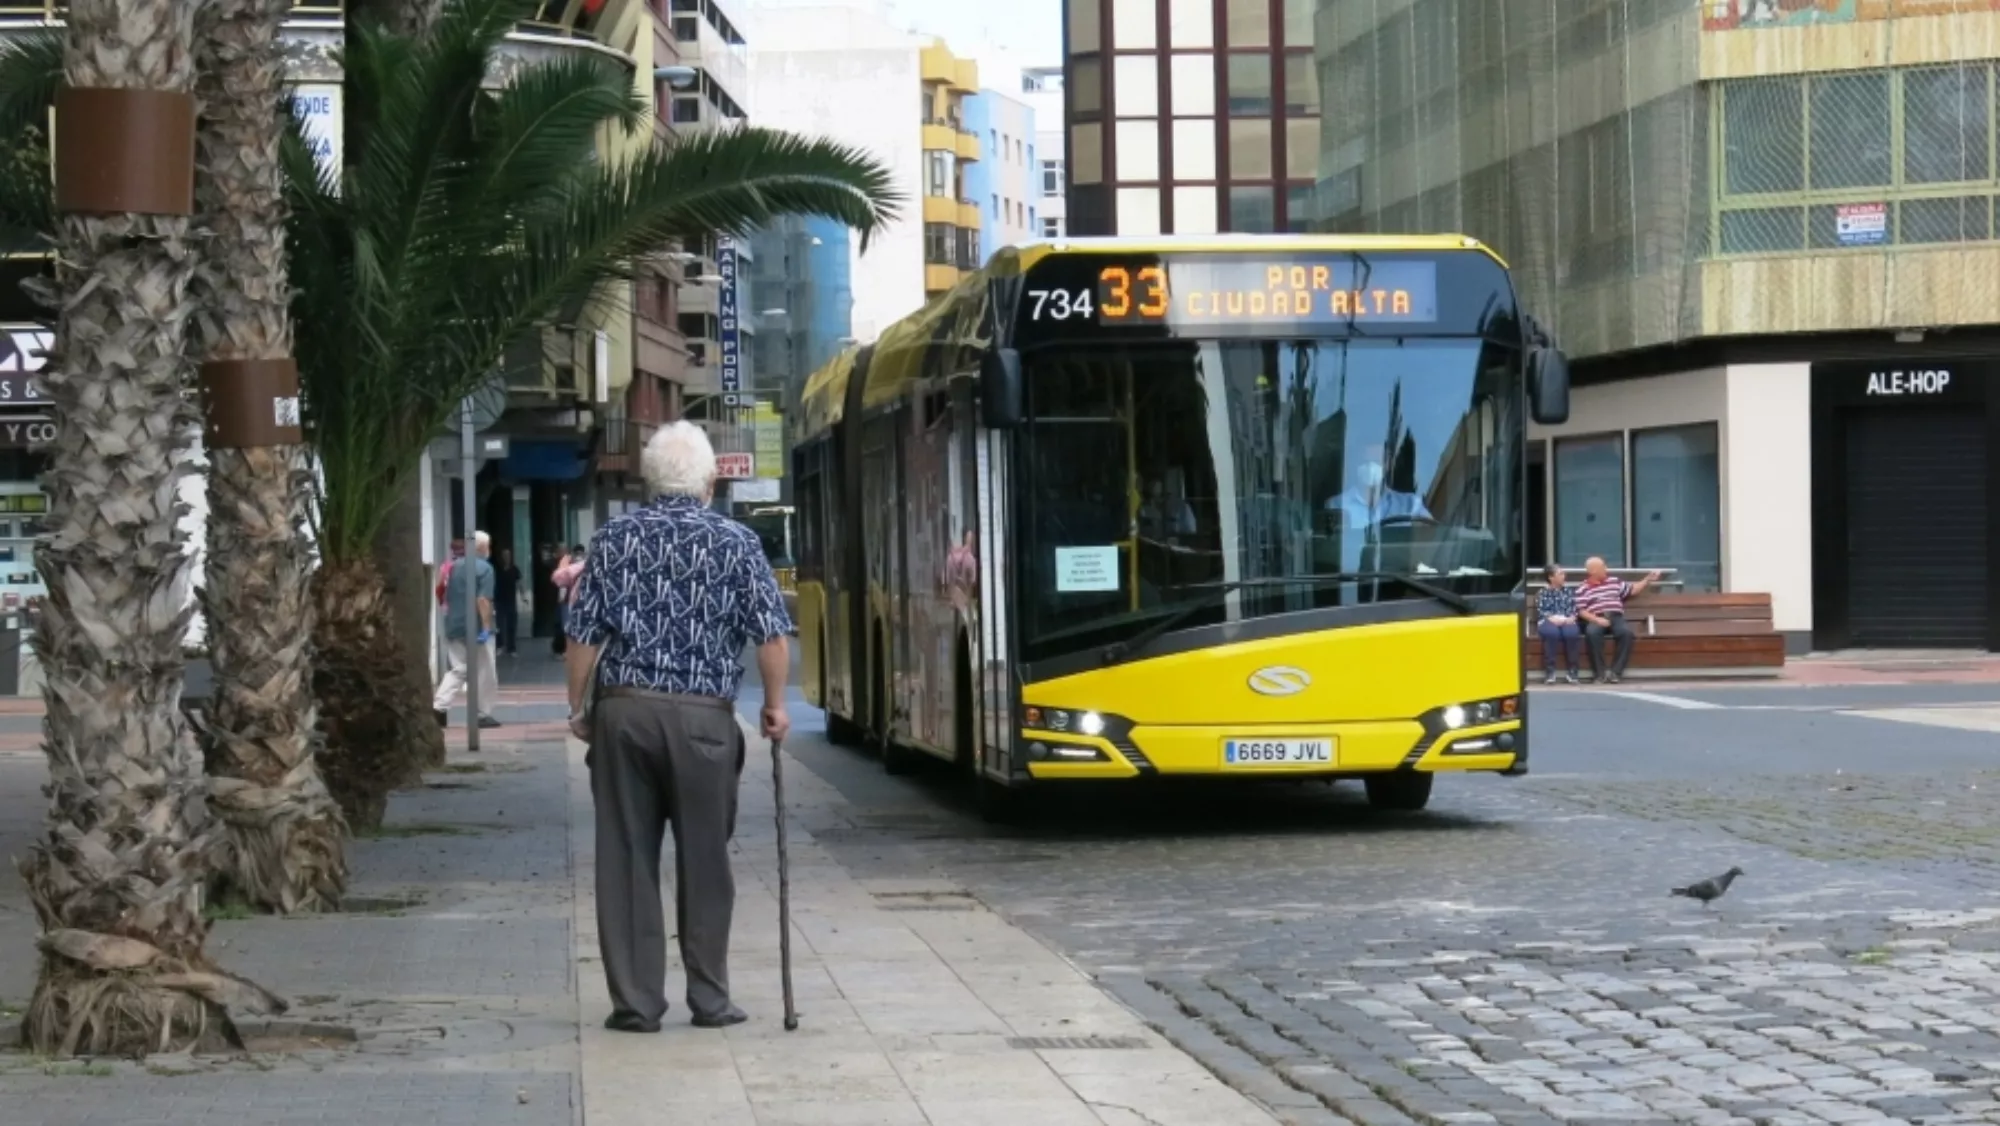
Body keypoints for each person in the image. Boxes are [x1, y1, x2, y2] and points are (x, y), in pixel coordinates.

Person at [564, 421, 793, 1034]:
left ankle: (637, 1004)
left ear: (648, 479)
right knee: (705, 858)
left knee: (626, 856)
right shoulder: (737, 542)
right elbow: (770, 636)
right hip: (704, 721)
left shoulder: (612, 539)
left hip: (626, 711)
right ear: (711, 481)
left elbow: (583, 636)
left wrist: (578, 707)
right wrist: (775, 706)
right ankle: (711, 1000)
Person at [433, 531, 502, 729]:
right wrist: (487, 627)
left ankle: (439, 707)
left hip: (454, 624)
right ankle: (483, 713)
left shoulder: (452, 567)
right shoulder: (485, 568)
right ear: (482, 547)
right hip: (476, 625)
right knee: (485, 670)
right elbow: (483, 599)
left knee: (458, 668)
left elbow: (441, 590)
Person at [1575, 557, 1663, 685]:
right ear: (1593, 571)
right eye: (1603, 567)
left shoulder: (1614, 581)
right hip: (1596, 617)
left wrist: (1647, 579)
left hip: (1616, 616)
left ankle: (1616, 673)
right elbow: (1581, 611)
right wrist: (1597, 619)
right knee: (1592, 634)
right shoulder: (1583, 588)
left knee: (1626, 634)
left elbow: (1632, 590)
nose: (1606, 569)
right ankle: (1599, 674)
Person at [1324, 441, 1432, 527]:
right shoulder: (1336, 505)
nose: (1371, 466)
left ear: (1388, 465)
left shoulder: (1411, 505)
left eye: (1377, 461)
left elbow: (1432, 538)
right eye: (1365, 461)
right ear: (1355, 463)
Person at [1534, 563, 1583, 685]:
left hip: (1567, 620)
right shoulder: (1542, 593)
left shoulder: (1569, 591)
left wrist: (1571, 618)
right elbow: (1542, 610)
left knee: (1571, 633)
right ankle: (1550, 671)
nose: (1564, 576)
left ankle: (1573, 671)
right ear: (1551, 577)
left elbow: (1574, 608)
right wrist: (1551, 618)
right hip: (1548, 620)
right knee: (1552, 633)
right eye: (1560, 573)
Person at [494, 548, 523, 656]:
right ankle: (500, 645)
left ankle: (512, 648)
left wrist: (523, 596)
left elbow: (519, 583)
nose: (507, 557)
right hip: (499, 600)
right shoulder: (497, 569)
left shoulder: (514, 569)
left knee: (512, 624)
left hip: (511, 601)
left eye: (508, 555)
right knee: (499, 625)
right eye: (505, 555)